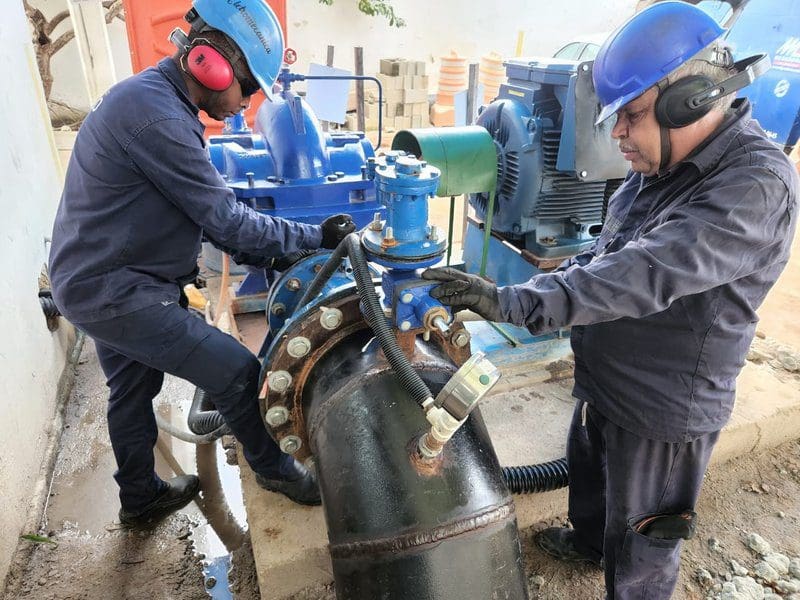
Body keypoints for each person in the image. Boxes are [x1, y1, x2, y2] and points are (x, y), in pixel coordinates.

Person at [423, 2, 797, 598]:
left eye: (631, 115)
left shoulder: (752, 187)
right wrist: (546, 284)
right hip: (610, 378)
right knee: (594, 479)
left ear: (691, 101)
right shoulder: (662, 161)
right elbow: (604, 254)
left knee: (645, 540)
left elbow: (640, 273)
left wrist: (515, 302)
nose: (616, 132)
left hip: (664, 404)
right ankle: (589, 541)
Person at [48, 0, 355, 528]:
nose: (247, 104)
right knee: (236, 372)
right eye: (248, 88)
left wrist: (273, 240)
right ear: (210, 63)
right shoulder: (158, 118)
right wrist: (315, 237)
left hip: (95, 277)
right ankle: (276, 470)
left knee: (132, 389)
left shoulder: (152, 99)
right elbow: (227, 224)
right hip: (118, 290)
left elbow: (208, 212)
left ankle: (140, 497)